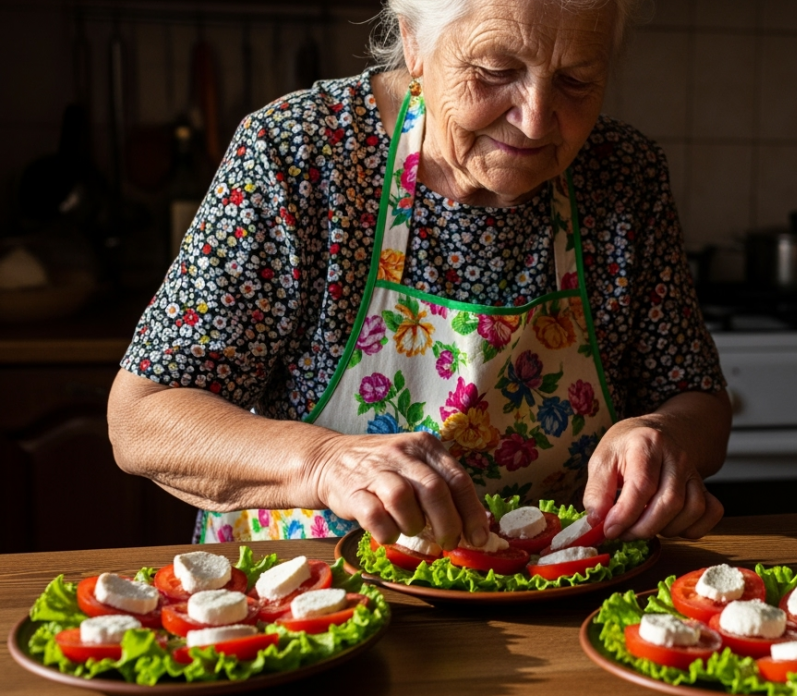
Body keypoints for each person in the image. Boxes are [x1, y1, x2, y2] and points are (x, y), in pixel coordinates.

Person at [106, 0, 730, 552]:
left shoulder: (624, 173)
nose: (537, 119)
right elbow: (142, 417)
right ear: (414, 43)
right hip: (312, 596)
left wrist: (662, 434)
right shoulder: (299, 154)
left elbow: (699, 402)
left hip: (558, 588)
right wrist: (325, 462)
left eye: (576, 81)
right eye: (494, 71)